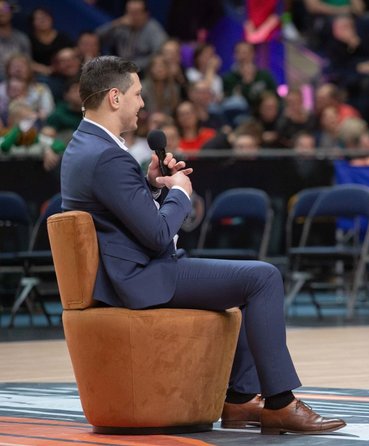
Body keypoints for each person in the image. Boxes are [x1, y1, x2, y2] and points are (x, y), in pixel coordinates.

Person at [60, 55, 346, 435]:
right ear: (115, 98)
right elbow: (159, 235)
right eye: (137, 94)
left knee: (242, 281)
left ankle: (242, 400)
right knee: (262, 278)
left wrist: (149, 186)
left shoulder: (83, 147)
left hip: (123, 272)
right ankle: (280, 402)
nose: (142, 104)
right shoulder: (109, 156)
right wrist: (180, 194)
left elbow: (116, 213)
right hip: (137, 278)